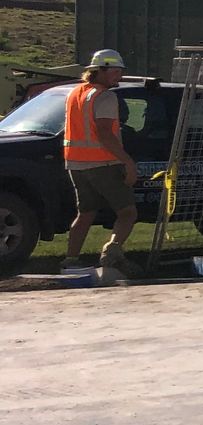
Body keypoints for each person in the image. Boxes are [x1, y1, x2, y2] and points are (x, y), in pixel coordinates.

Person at [62, 48, 138, 273]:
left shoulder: (75, 93)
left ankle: (70, 260)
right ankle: (111, 253)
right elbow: (105, 134)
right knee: (127, 212)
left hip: (76, 164)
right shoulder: (105, 96)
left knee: (85, 213)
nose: (119, 77)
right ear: (101, 71)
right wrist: (128, 162)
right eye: (115, 71)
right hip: (103, 163)